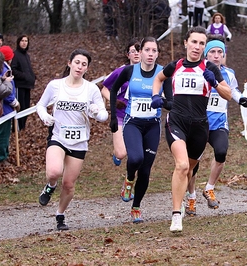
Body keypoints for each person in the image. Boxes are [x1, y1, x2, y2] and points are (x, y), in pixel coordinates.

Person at [151, 26, 231, 233]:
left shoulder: (210, 68)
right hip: (176, 122)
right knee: (182, 165)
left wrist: (215, 83)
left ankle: (187, 196)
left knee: (190, 169)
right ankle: (176, 215)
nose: (197, 46)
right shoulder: (175, 65)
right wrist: (155, 96)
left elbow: (228, 94)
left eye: (201, 43)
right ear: (186, 43)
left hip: (199, 126)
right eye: (194, 42)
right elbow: (158, 78)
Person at [36, 49, 108, 230]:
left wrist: (95, 112)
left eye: (84, 64)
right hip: (59, 137)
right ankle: (50, 186)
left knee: (68, 184)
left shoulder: (91, 89)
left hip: (79, 141)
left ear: (87, 68)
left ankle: (60, 215)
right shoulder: (55, 85)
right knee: (54, 171)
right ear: (69, 63)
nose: (79, 66)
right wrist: (45, 116)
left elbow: (104, 115)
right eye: (77, 62)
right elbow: (40, 105)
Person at [109, 37, 173, 224]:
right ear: (140, 52)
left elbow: (171, 102)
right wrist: (113, 117)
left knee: (145, 171)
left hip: (152, 125)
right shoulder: (130, 71)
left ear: (158, 53)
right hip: (133, 123)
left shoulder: (163, 73)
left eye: (154, 51)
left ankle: (136, 207)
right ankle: (129, 179)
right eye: (147, 50)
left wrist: (161, 101)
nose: (150, 54)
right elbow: (113, 90)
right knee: (136, 158)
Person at [185, 36, 247, 216]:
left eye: (219, 52)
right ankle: (191, 197)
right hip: (198, 123)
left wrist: (241, 98)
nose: (216, 55)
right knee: (193, 165)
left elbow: (233, 90)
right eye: (212, 52)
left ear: (224, 55)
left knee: (221, 152)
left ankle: (209, 188)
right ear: (206, 54)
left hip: (219, 122)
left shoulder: (228, 73)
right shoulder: (199, 71)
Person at [101, 38, 141, 169]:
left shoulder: (149, 72)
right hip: (120, 115)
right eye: (133, 51)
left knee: (137, 156)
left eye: (139, 51)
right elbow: (105, 88)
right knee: (121, 153)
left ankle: (129, 182)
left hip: (138, 116)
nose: (136, 54)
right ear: (127, 54)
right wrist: (115, 101)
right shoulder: (121, 71)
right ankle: (117, 154)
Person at [0, 46, 20, 168]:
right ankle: (0, 158)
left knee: (4, 133)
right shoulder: (3, 69)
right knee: (3, 134)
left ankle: (4, 154)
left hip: (5, 108)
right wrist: (14, 102)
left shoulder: (4, 67)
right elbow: (5, 90)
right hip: (4, 109)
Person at [11, 34, 36, 131]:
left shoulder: (27, 56)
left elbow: (28, 69)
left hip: (27, 85)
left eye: (26, 41)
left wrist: (32, 76)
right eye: (22, 41)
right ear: (18, 42)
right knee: (20, 107)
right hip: (19, 85)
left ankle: (22, 127)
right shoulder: (15, 55)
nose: (24, 43)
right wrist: (24, 76)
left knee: (26, 107)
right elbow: (13, 69)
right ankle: (17, 128)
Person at [0, 51, 14, 131]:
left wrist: (2, 79)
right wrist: (14, 102)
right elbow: (2, 91)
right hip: (5, 111)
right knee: (2, 139)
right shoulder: (4, 70)